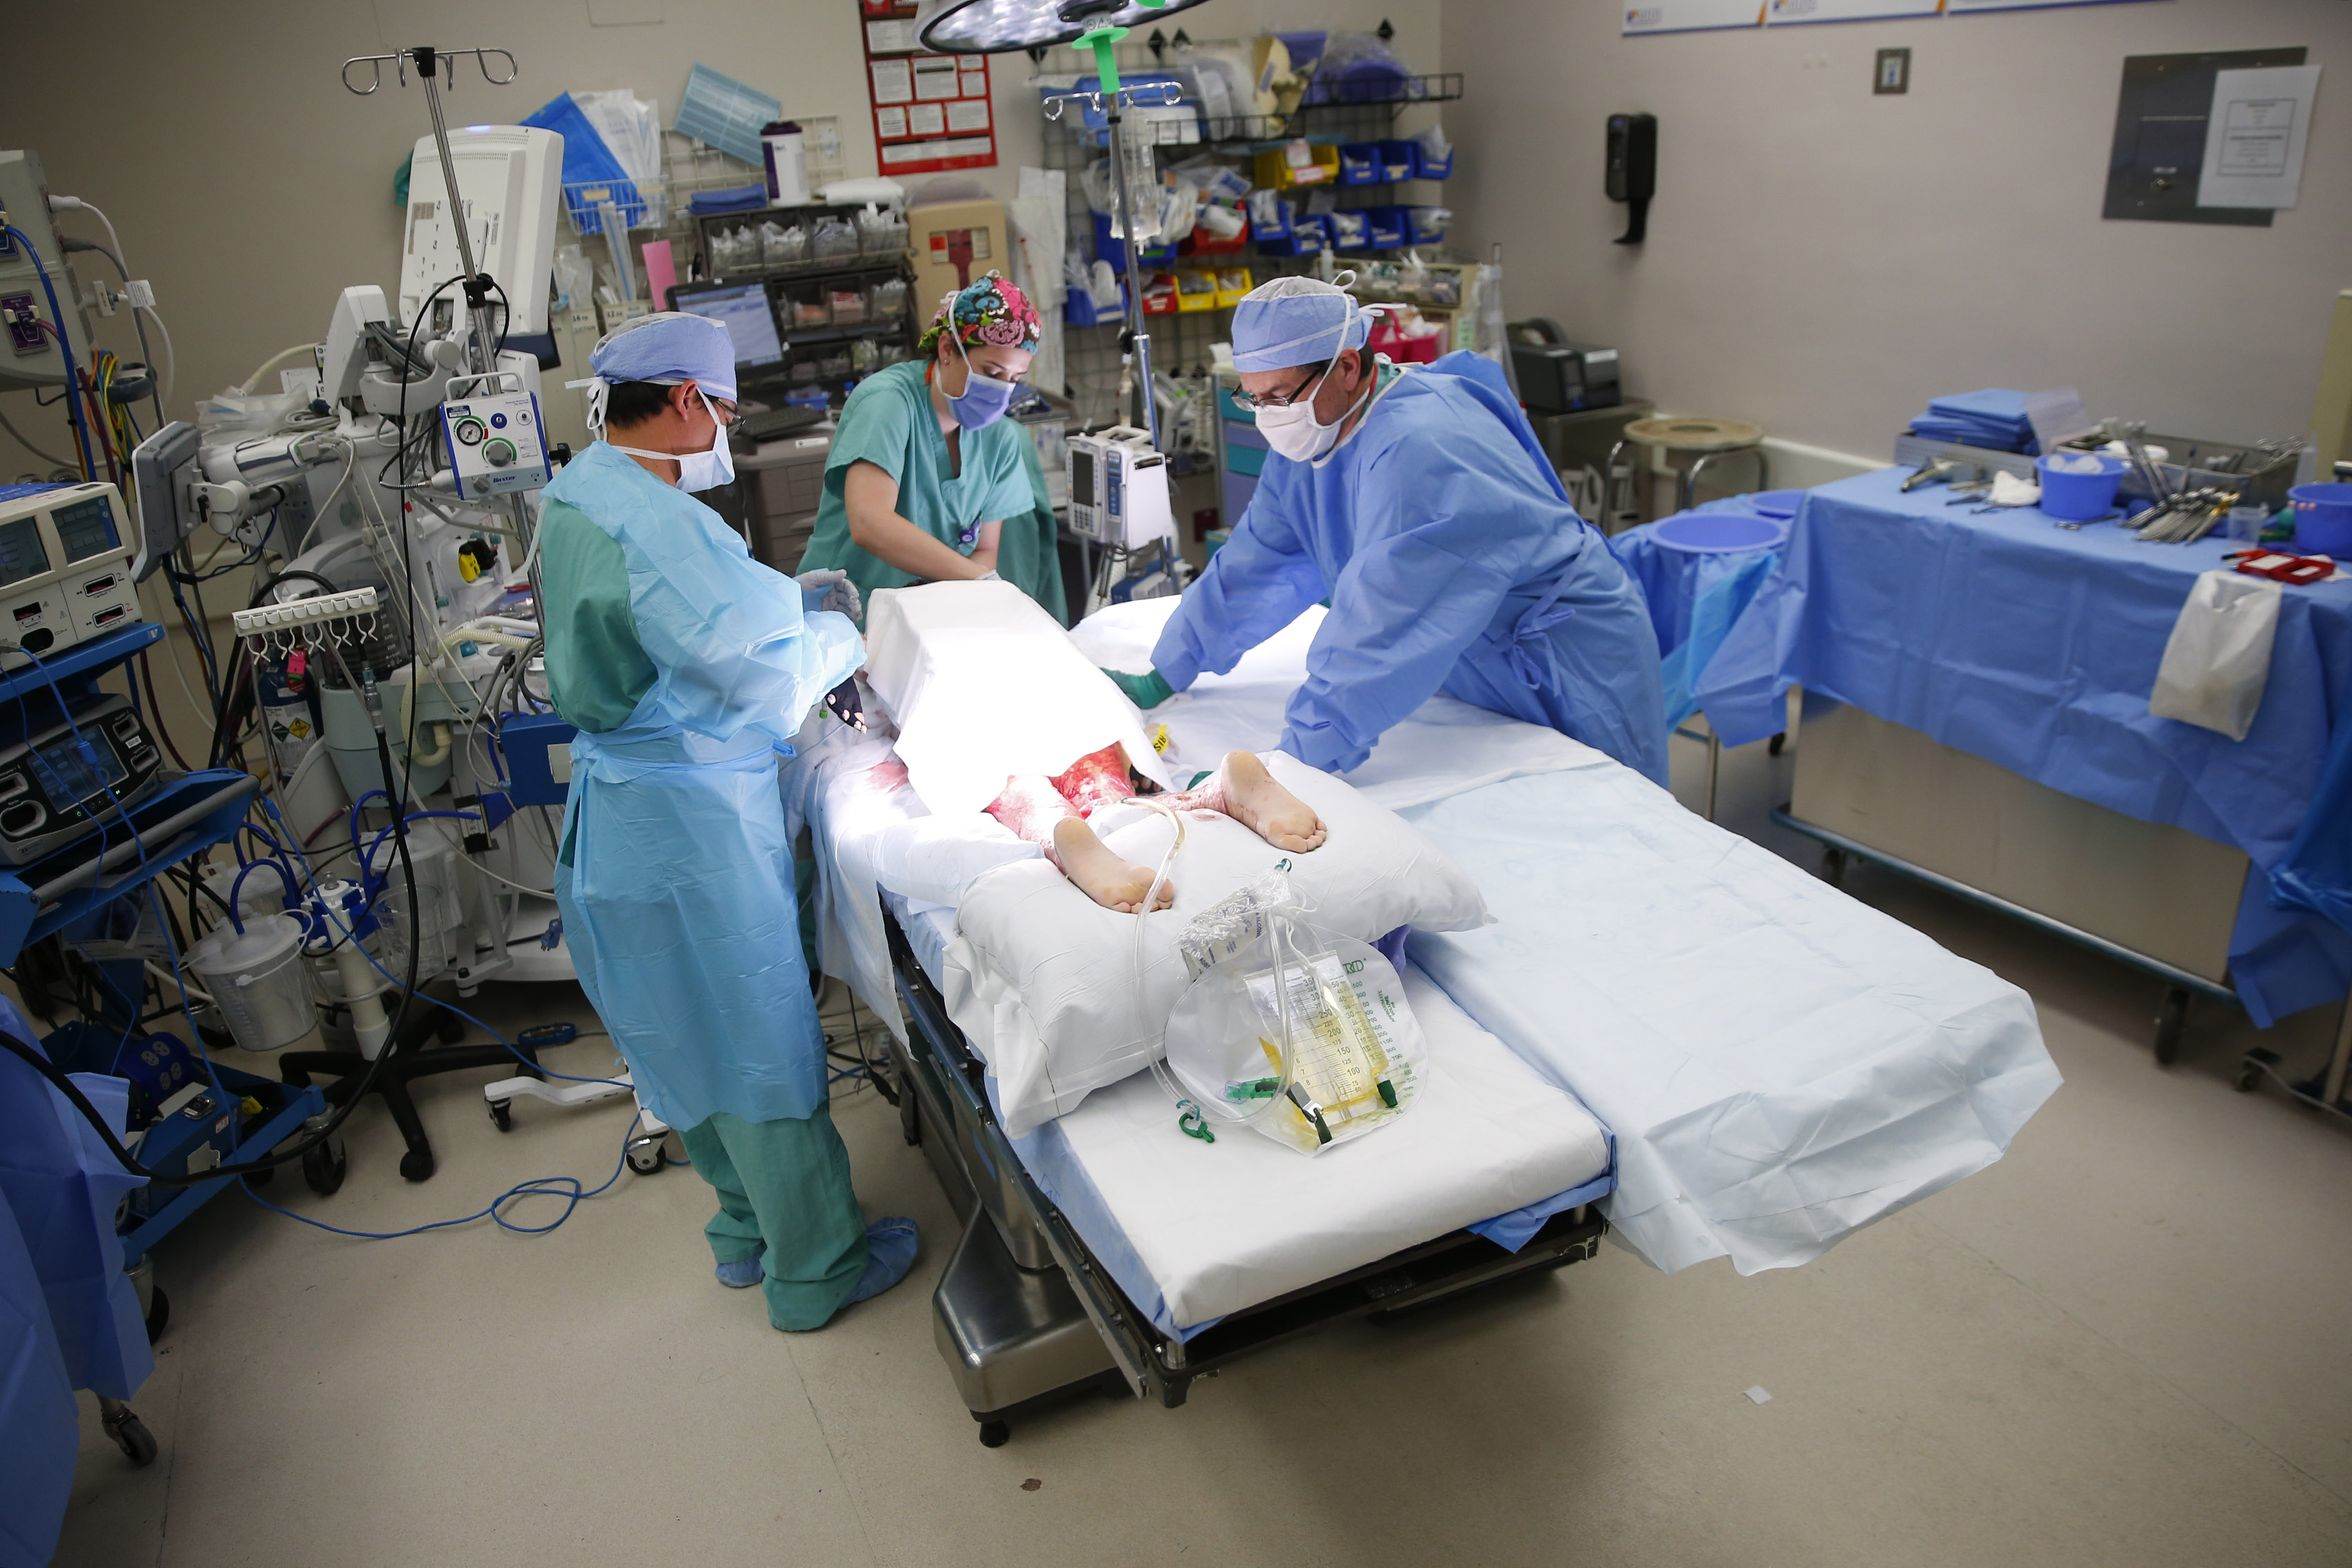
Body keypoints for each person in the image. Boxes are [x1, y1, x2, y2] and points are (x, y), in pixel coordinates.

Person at [539, 311, 917, 1333]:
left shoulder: (578, 489)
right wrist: (832, 631)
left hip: (618, 814)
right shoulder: (664, 522)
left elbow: (664, 618)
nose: (724, 431)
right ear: (682, 400)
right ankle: (818, 1268)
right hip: (693, 821)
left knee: (679, 1027)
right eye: (724, 408)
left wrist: (766, 597)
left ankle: (745, 1230)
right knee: (755, 1031)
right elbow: (755, 671)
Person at [1101, 274, 1670, 785]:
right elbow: (1256, 565)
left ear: (1347, 367)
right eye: (1252, 397)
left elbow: (1379, 626)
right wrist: (1167, 669)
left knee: (1614, 826)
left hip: (1567, 662)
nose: (1268, 415)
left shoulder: (1424, 448)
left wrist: (1288, 769)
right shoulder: (1315, 439)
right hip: (1476, 655)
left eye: (1278, 396)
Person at [797, 271, 1060, 620]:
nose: (1001, 391)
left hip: (923, 619)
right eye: (992, 373)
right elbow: (869, 522)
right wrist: (981, 582)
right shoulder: (889, 403)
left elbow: (985, 548)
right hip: (843, 612)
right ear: (948, 349)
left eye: (1014, 379)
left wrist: (959, 595)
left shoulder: (1002, 439)